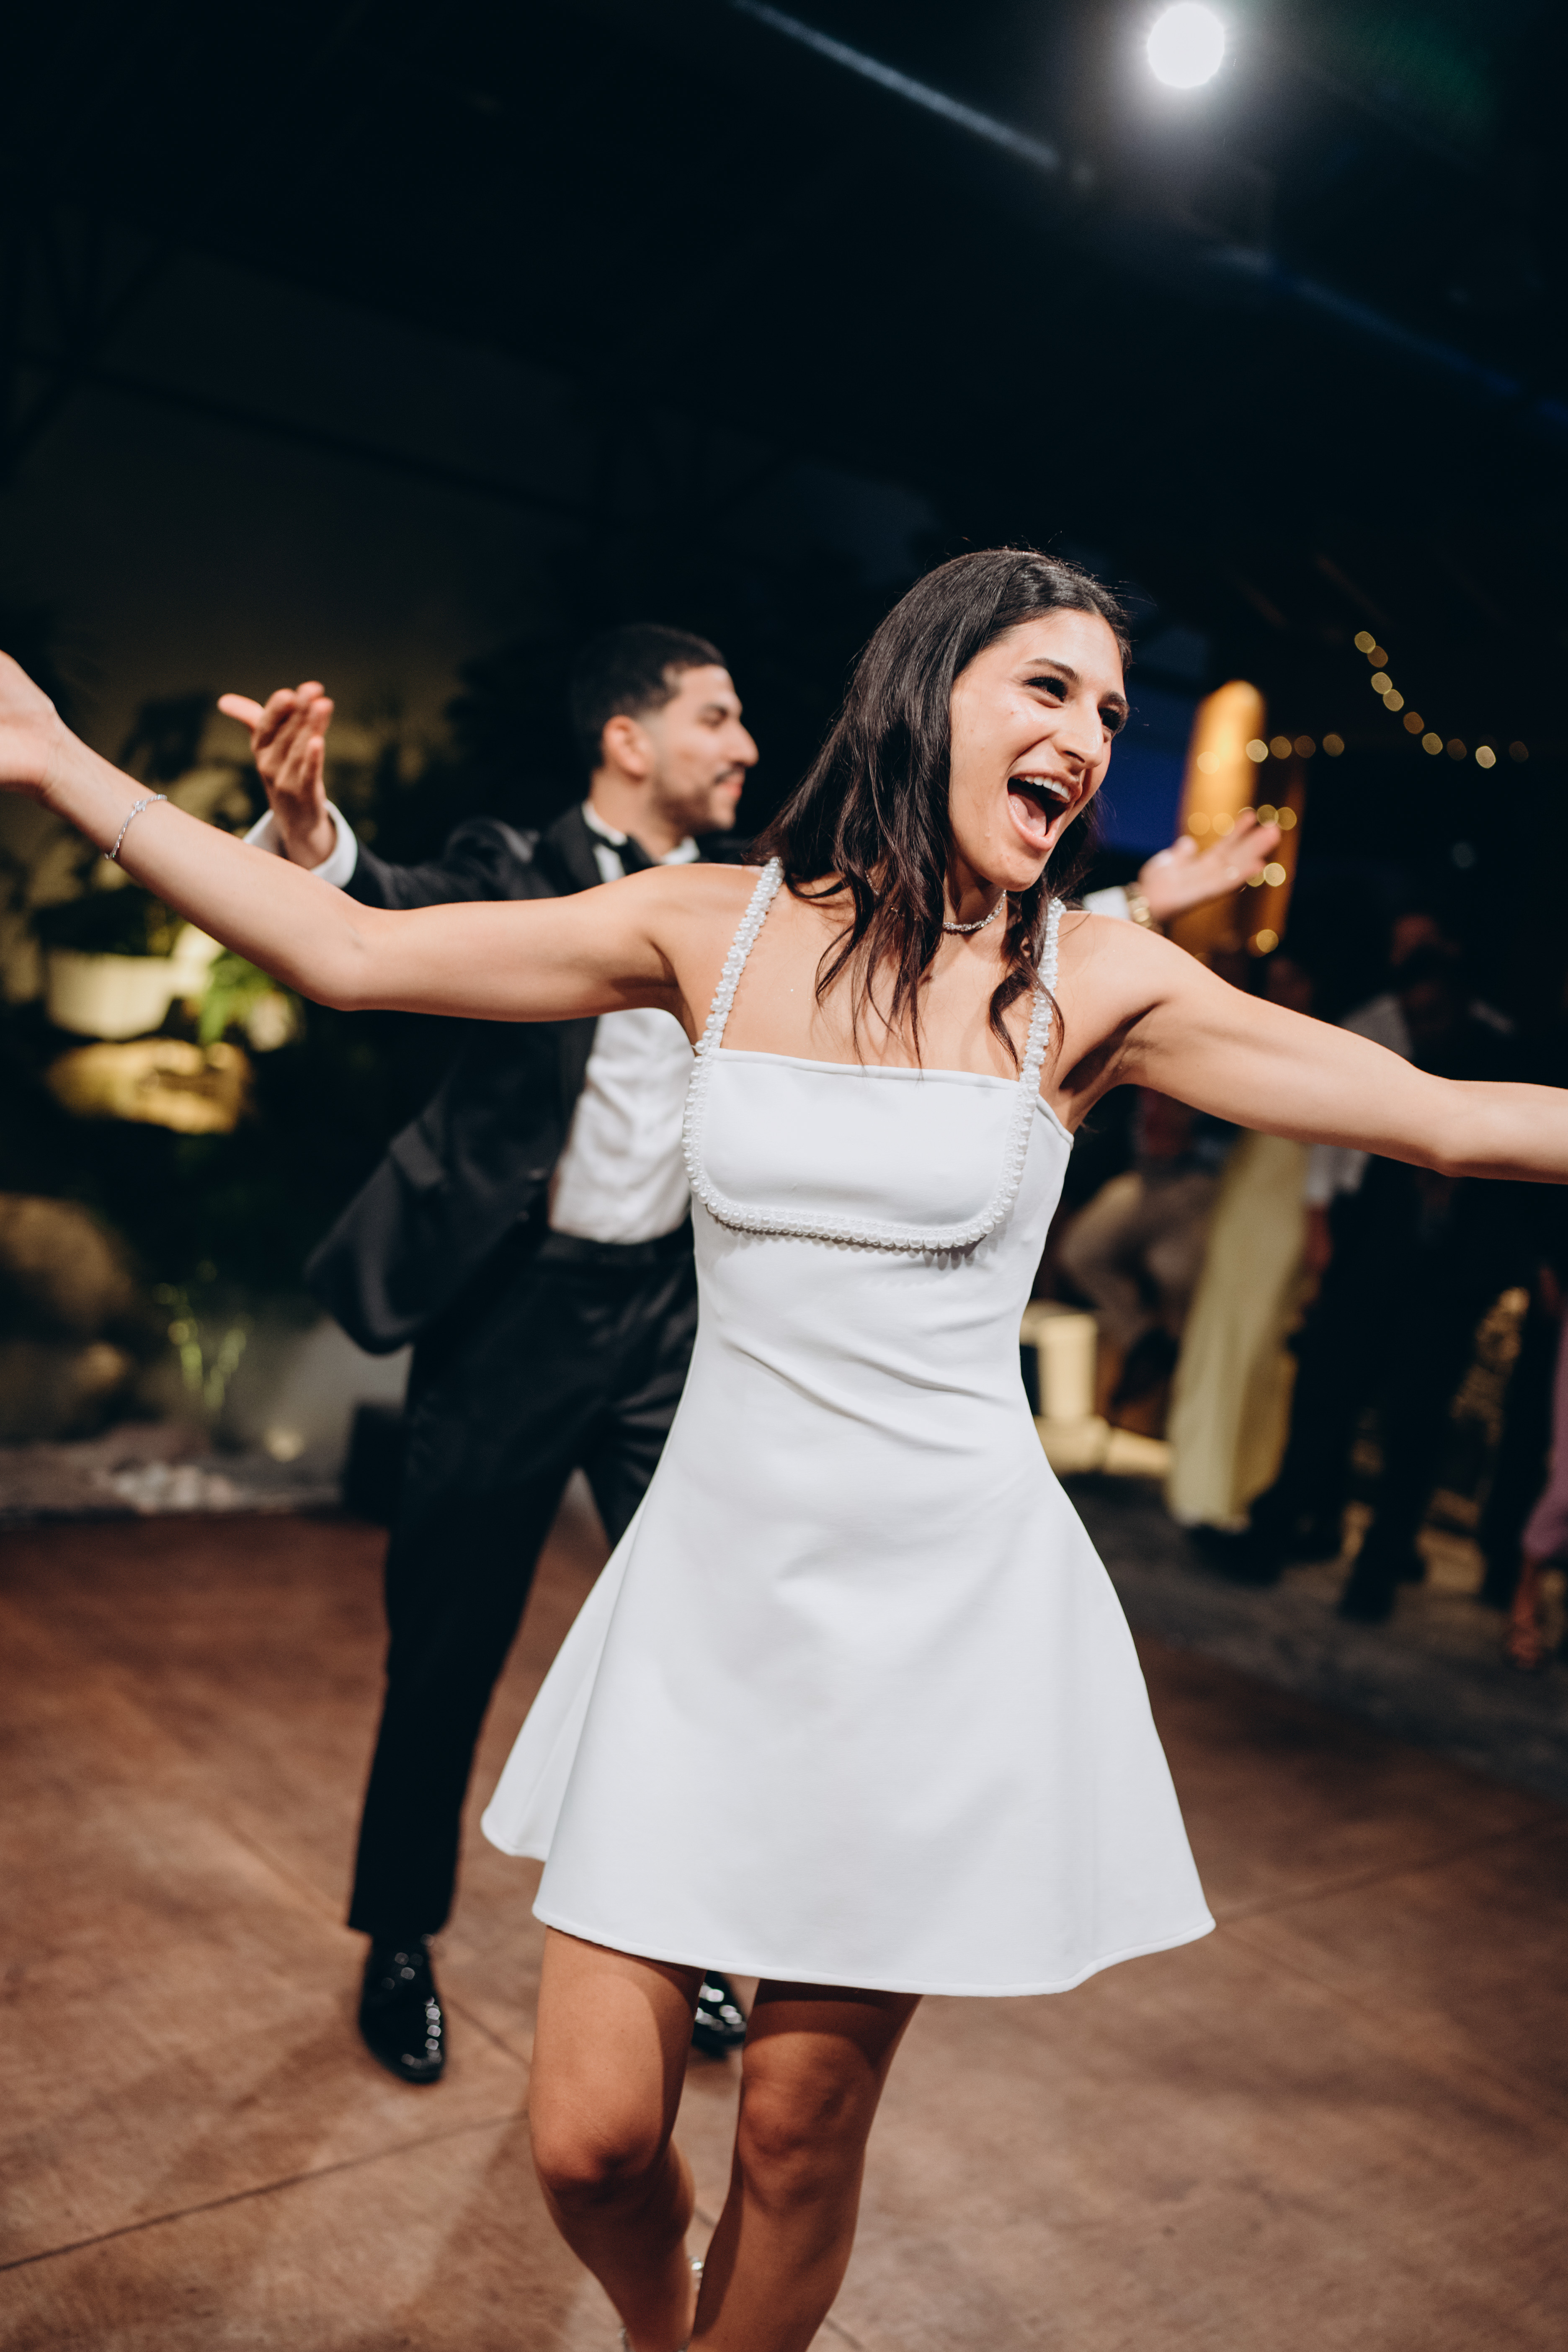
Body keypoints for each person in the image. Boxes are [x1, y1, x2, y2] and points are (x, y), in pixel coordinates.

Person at [8, 546, 1566, 2352]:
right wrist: (56, 764)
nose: (1090, 737)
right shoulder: (715, 926)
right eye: (1050, 689)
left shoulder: (1099, 980)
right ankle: (661, 2324)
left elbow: (1446, 1121)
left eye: (1112, 711)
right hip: (709, 1604)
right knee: (592, 2144)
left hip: (937, 1623)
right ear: (928, 689)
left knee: (798, 2132)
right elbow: (350, 953)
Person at [219, 627, 758, 2083]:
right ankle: (399, 1940)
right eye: (717, 718)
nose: (747, 746)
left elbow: (916, 960)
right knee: (446, 1651)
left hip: (668, 1327)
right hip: (514, 1315)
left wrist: (1142, 899)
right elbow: (383, 909)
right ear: (629, 740)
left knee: (694, 1653)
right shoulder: (518, 868)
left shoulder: (747, 901)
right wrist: (308, 830)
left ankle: (685, 1938)